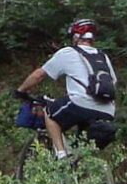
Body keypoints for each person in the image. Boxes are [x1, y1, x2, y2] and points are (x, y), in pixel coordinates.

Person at [15, 18, 120, 159]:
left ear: (76, 37)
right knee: (82, 147)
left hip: (80, 103)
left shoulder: (68, 52)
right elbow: (113, 82)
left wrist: (21, 90)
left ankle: (61, 155)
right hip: (108, 109)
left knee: (50, 112)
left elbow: (39, 75)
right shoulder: (103, 57)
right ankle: (81, 165)